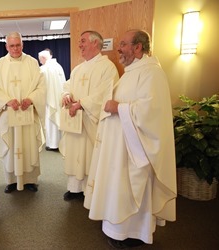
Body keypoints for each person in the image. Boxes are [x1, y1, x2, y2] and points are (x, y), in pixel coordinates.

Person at [83, 29, 177, 248]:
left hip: (136, 152)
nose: (119, 48)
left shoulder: (152, 73)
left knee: (132, 189)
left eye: (123, 44)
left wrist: (118, 107)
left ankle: (134, 233)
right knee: (118, 188)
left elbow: (152, 112)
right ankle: (115, 227)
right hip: (119, 148)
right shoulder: (132, 71)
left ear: (138, 47)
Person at [59, 31, 119, 201]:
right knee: (75, 153)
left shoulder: (107, 67)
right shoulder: (78, 69)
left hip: (92, 121)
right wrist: (65, 95)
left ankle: (91, 190)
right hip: (75, 120)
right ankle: (74, 188)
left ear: (95, 43)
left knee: (90, 154)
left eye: (83, 41)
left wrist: (82, 103)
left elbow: (105, 93)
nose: (80, 45)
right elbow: (67, 87)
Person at [0, 31, 46, 193]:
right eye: (11, 45)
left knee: (28, 146)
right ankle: (11, 180)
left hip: (27, 113)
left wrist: (32, 98)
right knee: (11, 147)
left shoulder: (32, 63)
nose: (15, 48)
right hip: (8, 114)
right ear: (6, 46)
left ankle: (30, 180)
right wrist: (6, 100)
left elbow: (41, 86)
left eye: (18, 45)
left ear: (22, 44)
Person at [38, 48, 66, 152]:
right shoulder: (58, 66)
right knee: (58, 119)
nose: (40, 62)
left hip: (49, 99)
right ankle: (59, 142)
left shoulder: (44, 69)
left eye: (41, 60)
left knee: (50, 121)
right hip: (59, 97)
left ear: (44, 58)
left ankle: (53, 144)